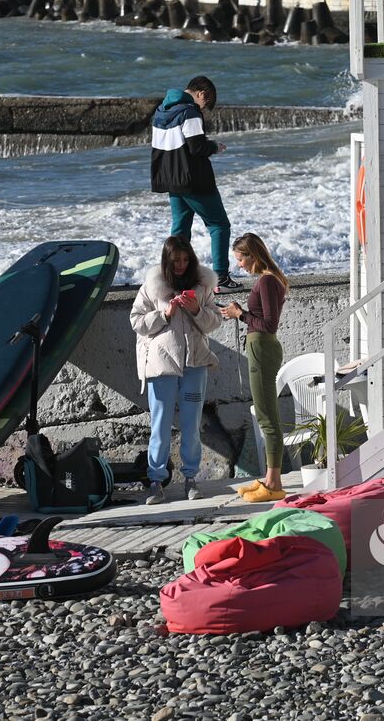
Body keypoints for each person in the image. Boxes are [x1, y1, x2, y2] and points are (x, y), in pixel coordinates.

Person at [131, 235, 223, 504]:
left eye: (185, 260)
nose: (181, 265)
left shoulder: (203, 286)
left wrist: (196, 310)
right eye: (176, 260)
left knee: (191, 424)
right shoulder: (152, 286)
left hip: (195, 364)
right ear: (167, 261)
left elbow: (214, 322)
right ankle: (155, 481)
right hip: (161, 366)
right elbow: (136, 321)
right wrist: (164, 315)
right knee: (159, 425)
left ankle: (191, 479)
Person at [150, 75, 241, 293]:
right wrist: (215, 146)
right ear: (202, 93)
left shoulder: (161, 111)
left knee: (180, 233)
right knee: (219, 225)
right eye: (206, 102)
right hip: (194, 181)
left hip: (172, 182)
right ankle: (220, 278)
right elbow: (196, 147)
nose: (205, 106)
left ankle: (175, 279)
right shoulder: (189, 112)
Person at [221, 233, 290, 503]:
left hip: (263, 348)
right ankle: (270, 478)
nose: (239, 265)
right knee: (264, 415)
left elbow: (270, 324)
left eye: (240, 259)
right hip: (259, 347)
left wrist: (242, 315)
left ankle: (274, 483)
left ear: (253, 255)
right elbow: (260, 319)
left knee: (267, 417)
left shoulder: (267, 281)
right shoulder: (266, 280)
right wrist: (238, 313)